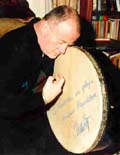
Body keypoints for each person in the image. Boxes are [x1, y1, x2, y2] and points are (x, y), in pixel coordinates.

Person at [0, 5, 81, 155]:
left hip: (32, 115)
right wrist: (43, 98)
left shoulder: (48, 46)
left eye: (69, 45)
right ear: (44, 27)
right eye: (62, 42)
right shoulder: (13, 47)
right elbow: (3, 104)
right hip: (7, 123)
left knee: (75, 143)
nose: (63, 50)